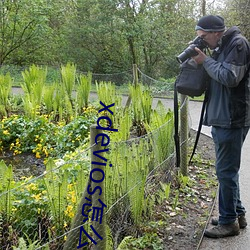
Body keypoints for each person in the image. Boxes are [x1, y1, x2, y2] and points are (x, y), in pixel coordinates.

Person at [192, 15, 250, 238]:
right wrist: (202, 60)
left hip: (232, 118)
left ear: (216, 32)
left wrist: (205, 61)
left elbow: (229, 77)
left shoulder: (238, 44)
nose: (203, 41)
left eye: (204, 37)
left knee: (225, 171)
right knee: (227, 171)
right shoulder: (221, 46)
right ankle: (237, 214)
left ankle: (228, 223)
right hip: (222, 117)